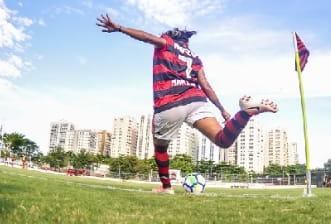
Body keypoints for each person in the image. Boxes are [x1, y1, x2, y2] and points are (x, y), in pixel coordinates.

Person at [96, 14, 278, 194]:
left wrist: (119, 28)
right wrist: (222, 110)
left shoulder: (166, 43)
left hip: (169, 102)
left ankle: (166, 187)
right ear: (186, 42)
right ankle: (245, 113)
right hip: (197, 101)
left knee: (160, 148)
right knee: (223, 140)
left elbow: (146, 37)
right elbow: (206, 85)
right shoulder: (195, 58)